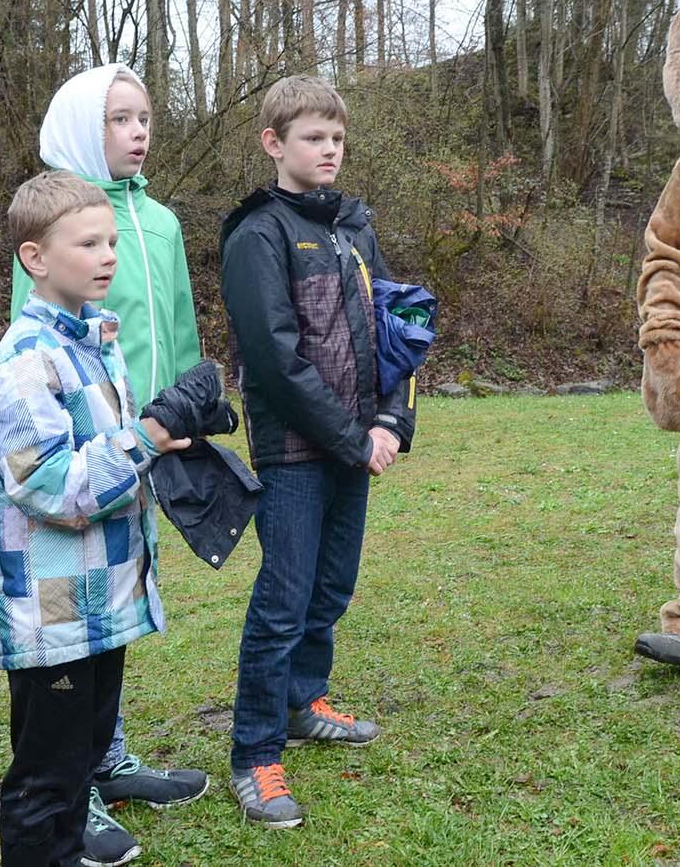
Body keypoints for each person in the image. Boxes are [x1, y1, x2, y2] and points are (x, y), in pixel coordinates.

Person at [9, 64, 209, 846]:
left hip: (151, 439)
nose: (137, 131)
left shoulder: (157, 220)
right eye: (118, 119)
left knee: (117, 599)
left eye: (144, 117)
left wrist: (190, 412)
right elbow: (37, 343)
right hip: (87, 447)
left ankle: (109, 758)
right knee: (73, 618)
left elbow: (179, 321)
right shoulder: (53, 223)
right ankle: (72, 785)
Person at [0, 170, 190, 867]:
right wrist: (147, 437)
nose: (108, 255)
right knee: (47, 778)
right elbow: (54, 485)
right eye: (88, 242)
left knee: (82, 757)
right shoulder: (28, 361)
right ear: (35, 257)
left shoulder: (93, 343)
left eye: (113, 241)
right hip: (51, 613)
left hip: (98, 601)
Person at [220, 75, 419, 828]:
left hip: (357, 445)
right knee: (282, 600)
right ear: (274, 143)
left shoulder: (353, 227)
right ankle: (254, 753)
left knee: (330, 589)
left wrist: (392, 421)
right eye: (312, 137)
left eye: (336, 137)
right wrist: (349, 437)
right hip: (296, 453)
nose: (328, 149)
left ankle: (306, 701)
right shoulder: (257, 234)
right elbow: (272, 359)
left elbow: (395, 328)